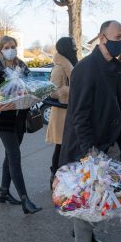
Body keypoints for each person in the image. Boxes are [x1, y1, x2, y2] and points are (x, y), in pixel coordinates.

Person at [59, 20, 121, 242]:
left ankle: (85, 235)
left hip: (106, 141)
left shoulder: (111, 66)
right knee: (88, 197)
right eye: (117, 36)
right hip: (89, 146)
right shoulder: (88, 68)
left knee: (99, 195)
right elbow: (79, 113)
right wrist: (89, 152)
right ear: (102, 37)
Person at [0, 35, 42, 215]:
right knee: (15, 155)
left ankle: (3, 192)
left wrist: (34, 95)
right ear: (1, 49)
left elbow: (32, 86)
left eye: (13, 46)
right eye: (7, 47)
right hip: (2, 119)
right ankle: (25, 199)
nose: (10, 50)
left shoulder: (22, 66)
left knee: (10, 156)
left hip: (19, 118)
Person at [46, 37, 78, 189]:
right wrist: (69, 90)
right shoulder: (59, 68)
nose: (76, 48)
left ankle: (65, 177)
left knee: (69, 147)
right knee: (60, 148)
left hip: (70, 112)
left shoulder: (71, 66)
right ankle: (55, 177)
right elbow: (52, 92)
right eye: (73, 46)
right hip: (61, 114)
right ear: (67, 48)